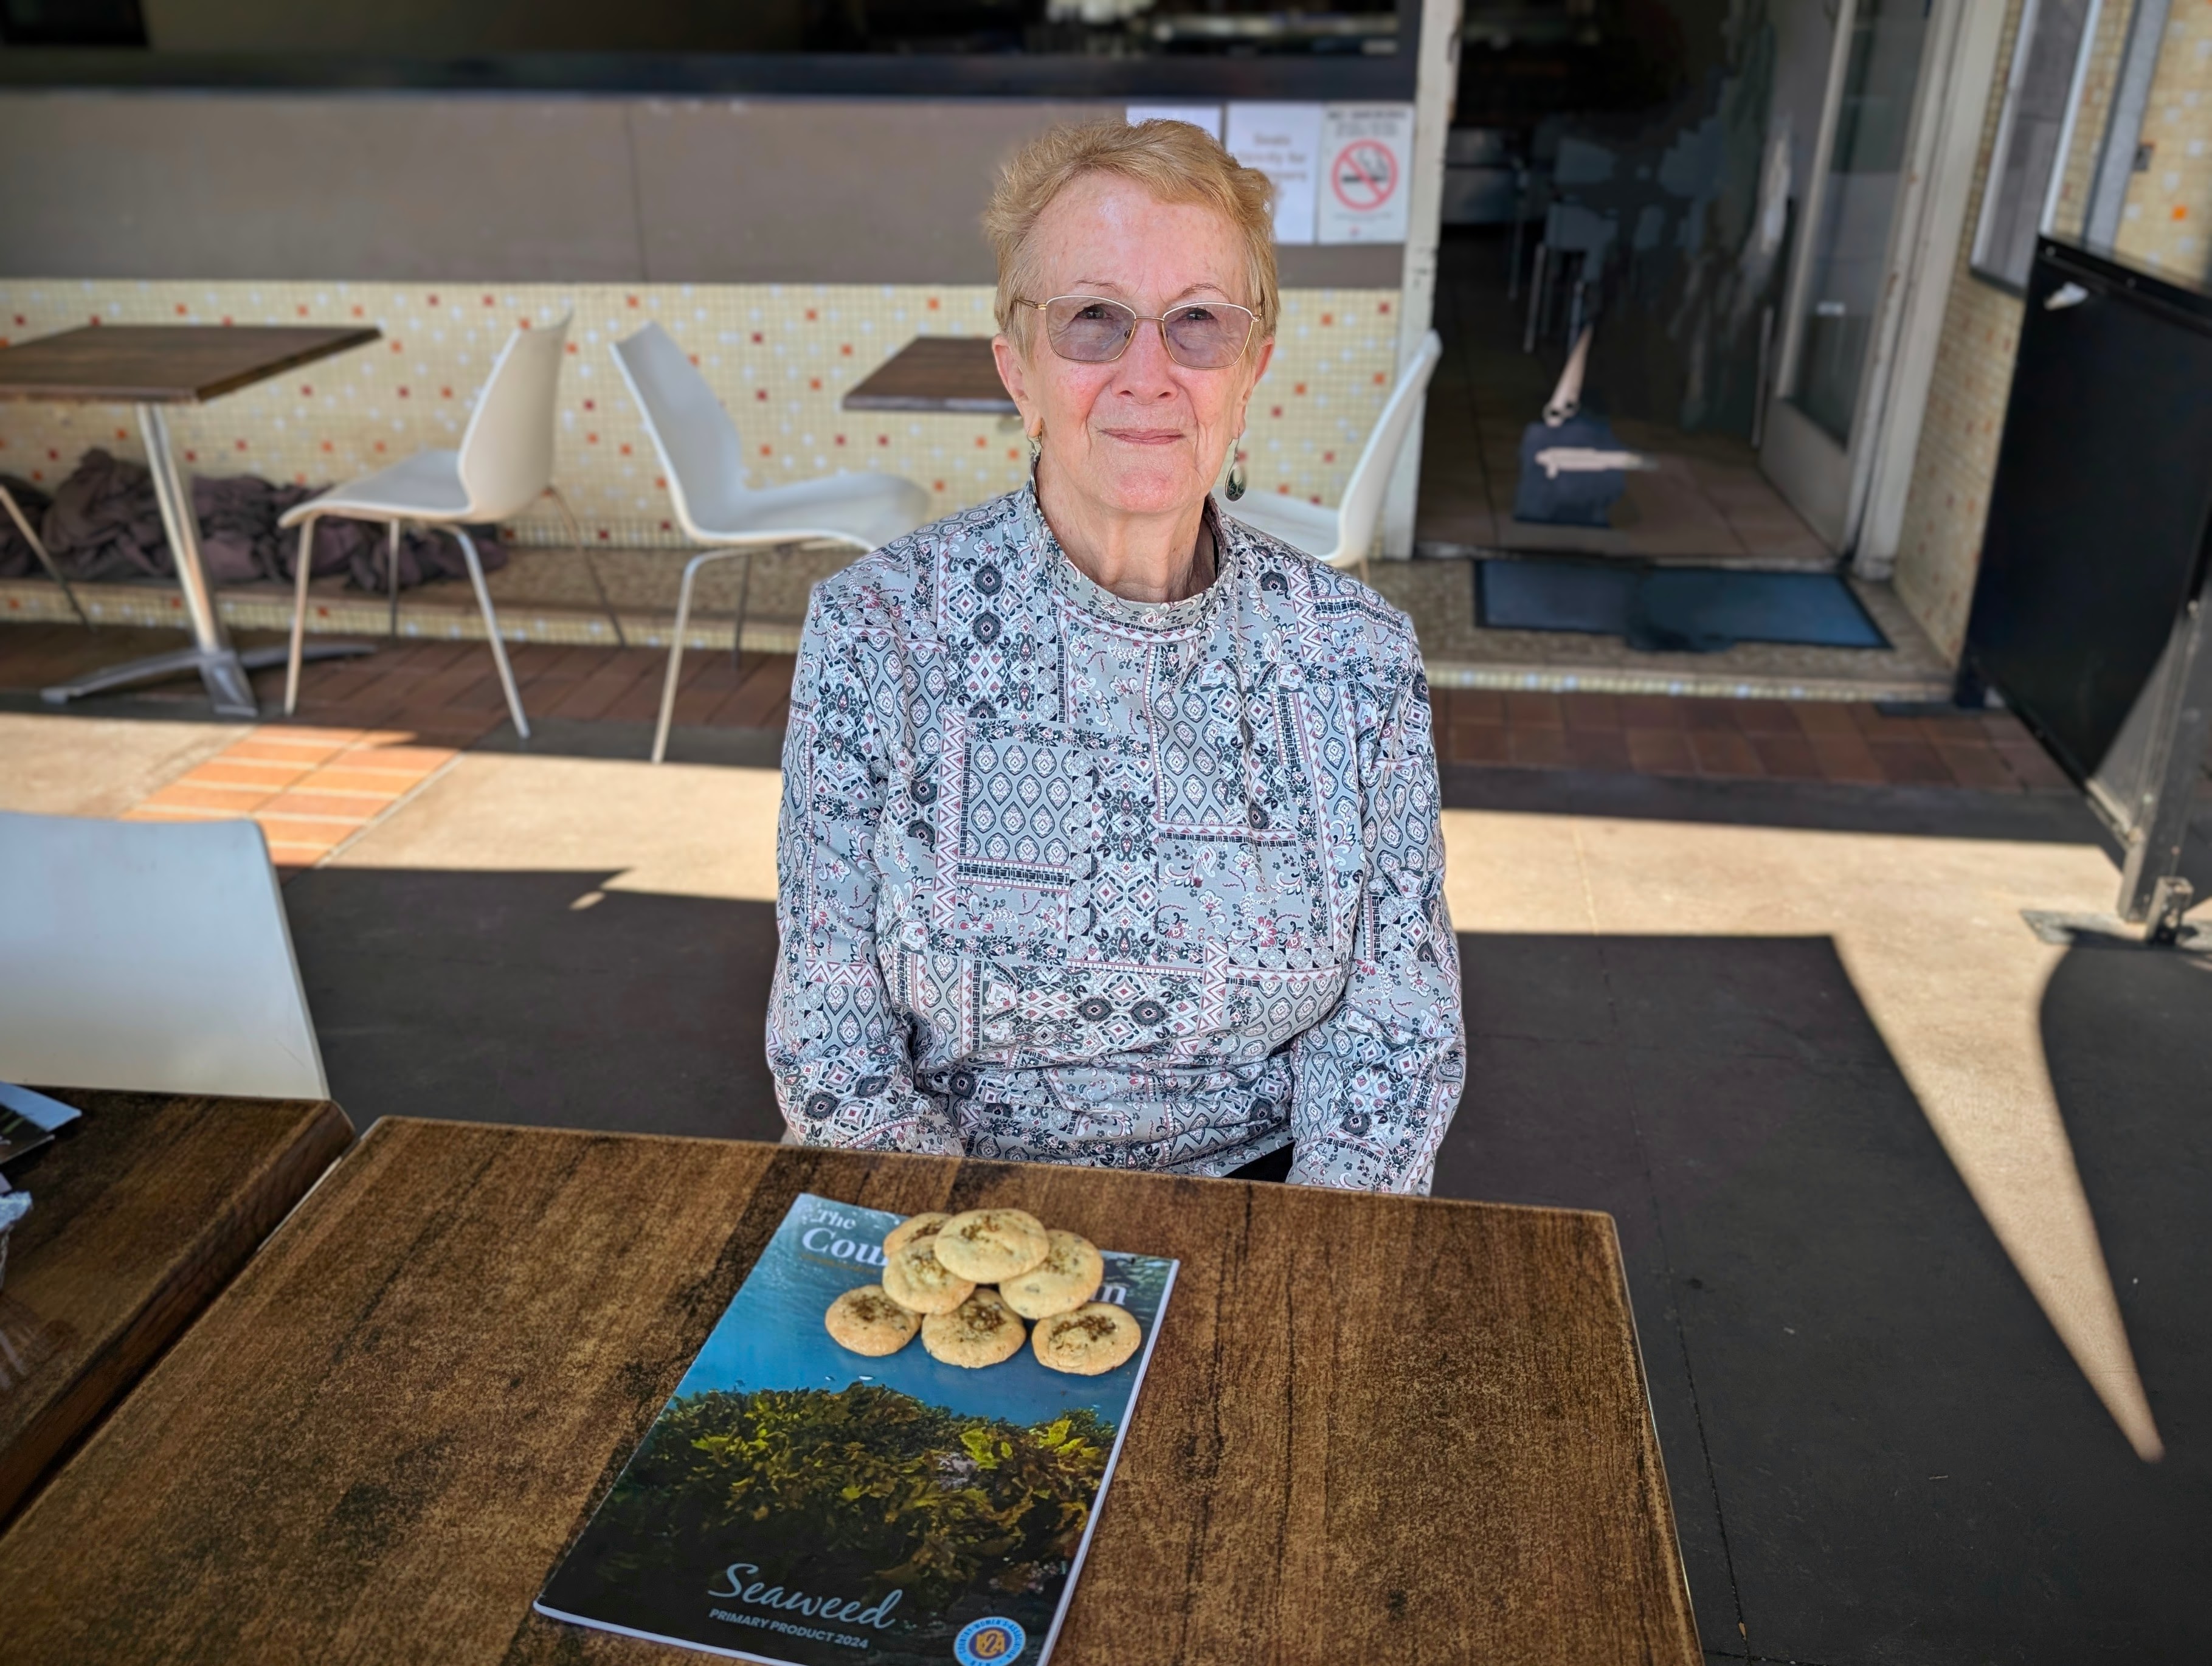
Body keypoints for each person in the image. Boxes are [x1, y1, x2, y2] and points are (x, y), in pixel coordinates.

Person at [767, 118, 1464, 1191]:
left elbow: (1394, 1039)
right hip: (947, 1215)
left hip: (1266, 1209)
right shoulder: (878, 631)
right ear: (1018, 372)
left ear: (1250, 370)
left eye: (1199, 322)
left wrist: (1301, 1257)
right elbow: (832, 1044)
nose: (1149, 373)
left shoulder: (1355, 658)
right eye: (1092, 318)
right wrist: (972, 1256)